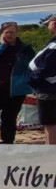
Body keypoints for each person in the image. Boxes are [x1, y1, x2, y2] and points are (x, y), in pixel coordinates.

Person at [0, 22, 35, 144]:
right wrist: (2, 47)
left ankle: (7, 143)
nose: (9, 35)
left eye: (12, 32)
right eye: (6, 32)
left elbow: (32, 65)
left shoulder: (25, 49)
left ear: (17, 33)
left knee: (9, 119)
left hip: (15, 91)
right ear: (2, 34)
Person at [28, 13, 56, 145]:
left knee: (51, 124)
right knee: (49, 125)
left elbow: (45, 69)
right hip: (47, 89)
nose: (48, 27)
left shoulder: (54, 46)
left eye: (48, 24)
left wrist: (34, 81)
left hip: (49, 90)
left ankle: (51, 157)